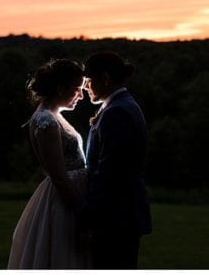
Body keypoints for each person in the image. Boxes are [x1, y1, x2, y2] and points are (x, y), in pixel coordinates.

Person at [8, 59, 90, 269]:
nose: (81, 95)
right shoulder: (46, 121)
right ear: (61, 88)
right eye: (77, 89)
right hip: (65, 201)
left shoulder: (54, 116)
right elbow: (59, 176)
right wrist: (82, 210)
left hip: (71, 194)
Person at [83, 51, 151, 269]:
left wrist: (89, 214)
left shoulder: (117, 112)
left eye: (89, 80)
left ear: (104, 78)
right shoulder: (121, 105)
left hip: (115, 217)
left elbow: (109, 171)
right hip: (119, 215)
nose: (86, 87)